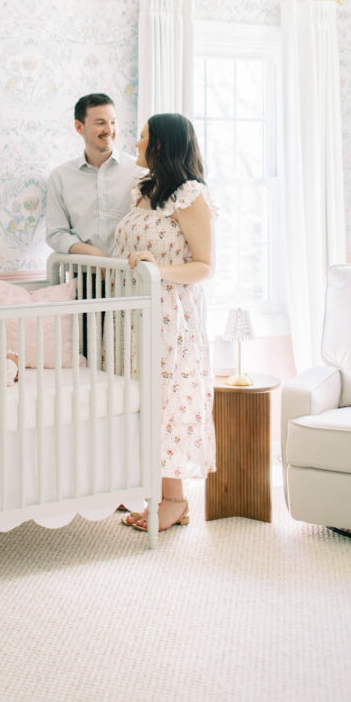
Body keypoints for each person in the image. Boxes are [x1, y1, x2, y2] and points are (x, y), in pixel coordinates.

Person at [116, 113, 216, 532]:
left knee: (167, 405)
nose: (135, 144)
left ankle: (174, 500)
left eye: (141, 138)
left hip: (170, 317)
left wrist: (158, 270)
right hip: (132, 316)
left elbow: (204, 266)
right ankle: (152, 494)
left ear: (160, 146)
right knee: (140, 405)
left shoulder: (191, 197)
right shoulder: (142, 190)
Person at [45, 93, 140, 261]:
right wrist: (92, 254)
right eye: (100, 123)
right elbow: (56, 233)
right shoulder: (60, 177)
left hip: (129, 276)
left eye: (113, 122)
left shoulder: (139, 171)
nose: (109, 130)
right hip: (83, 277)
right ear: (79, 127)